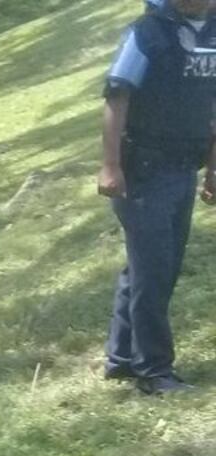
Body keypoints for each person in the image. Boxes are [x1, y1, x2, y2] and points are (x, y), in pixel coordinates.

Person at [99, 0, 216, 395]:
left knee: (147, 267)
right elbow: (117, 97)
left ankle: (122, 358)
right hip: (143, 172)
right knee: (155, 271)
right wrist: (110, 167)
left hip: (183, 168)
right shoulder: (146, 33)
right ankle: (154, 371)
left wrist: (212, 170)